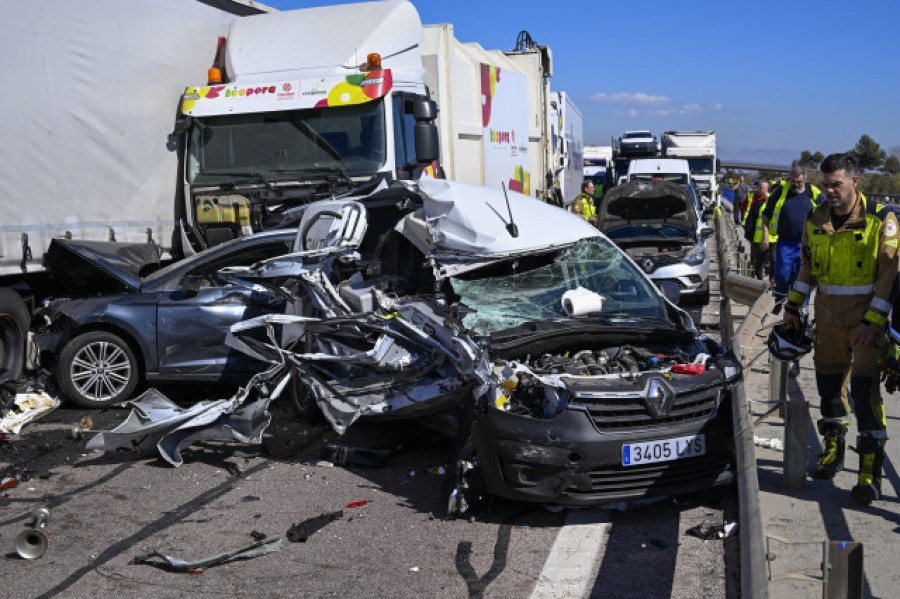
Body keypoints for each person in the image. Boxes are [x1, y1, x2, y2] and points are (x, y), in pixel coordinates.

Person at [783, 152, 899, 503]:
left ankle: (869, 471)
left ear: (855, 182)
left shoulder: (881, 220)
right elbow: (807, 268)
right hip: (829, 324)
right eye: (825, 184)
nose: (829, 191)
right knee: (830, 390)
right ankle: (833, 452)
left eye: (836, 184)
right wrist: (793, 305)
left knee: (864, 396)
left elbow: (888, 278)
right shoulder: (815, 219)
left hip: (866, 327)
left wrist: (872, 324)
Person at [761, 166, 821, 303]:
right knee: (782, 276)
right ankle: (780, 302)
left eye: (799, 182)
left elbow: (829, 210)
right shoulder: (782, 192)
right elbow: (766, 214)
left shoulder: (813, 192)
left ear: (805, 179)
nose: (796, 185)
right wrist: (765, 236)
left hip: (807, 244)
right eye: (793, 181)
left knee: (803, 279)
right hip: (785, 243)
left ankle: (800, 310)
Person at [743, 181, 770, 278]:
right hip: (756, 236)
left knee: (768, 259)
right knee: (756, 259)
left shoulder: (771, 203)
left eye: (763, 188)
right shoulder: (755, 200)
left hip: (770, 238)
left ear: (767, 190)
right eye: (760, 188)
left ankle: (767, 275)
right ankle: (757, 275)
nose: (761, 190)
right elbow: (748, 213)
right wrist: (748, 230)